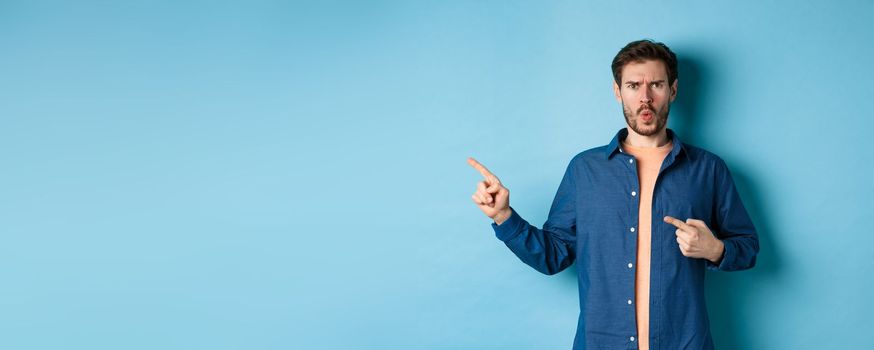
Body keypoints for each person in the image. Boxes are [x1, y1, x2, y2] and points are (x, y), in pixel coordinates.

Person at [467, 39, 759, 350]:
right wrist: (503, 217)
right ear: (618, 91)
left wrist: (715, 249)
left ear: (672, 91)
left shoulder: (708, 169)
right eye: (634, 85)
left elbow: (748, 247)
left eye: (656, 84)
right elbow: (553, 256)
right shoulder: (585, 170)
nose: (645, 97)